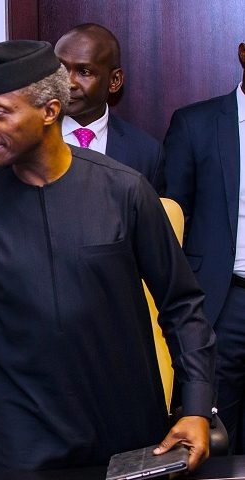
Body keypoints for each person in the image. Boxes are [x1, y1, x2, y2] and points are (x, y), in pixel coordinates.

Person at [0, 40, 216, 476]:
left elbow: (182, 306)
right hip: (19, 445)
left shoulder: (124, 191)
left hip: (123, 439)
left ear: (50, 111)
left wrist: (198, 406)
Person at [164, 42, 245, 453]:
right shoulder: (195, 123)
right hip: (220, 298)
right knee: (215, 429)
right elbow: (172, 220)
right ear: (244, 53)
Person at [0, 24, 164, 194]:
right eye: (61, 69)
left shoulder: (145, 152)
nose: (69, 82)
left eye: (84, 72)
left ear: (114, 81)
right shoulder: (13, 143)